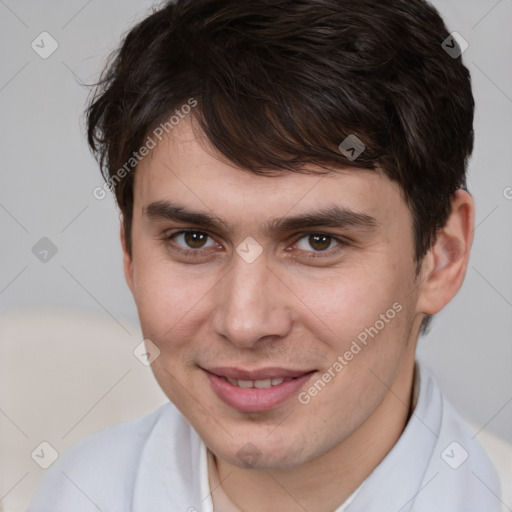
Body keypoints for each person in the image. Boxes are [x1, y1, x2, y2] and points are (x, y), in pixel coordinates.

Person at [28, 0, 502, 510]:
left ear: (441, 255)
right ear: (129, 253)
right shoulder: (75, 493)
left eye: (318, 241)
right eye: (193, 239)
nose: (245, 323)